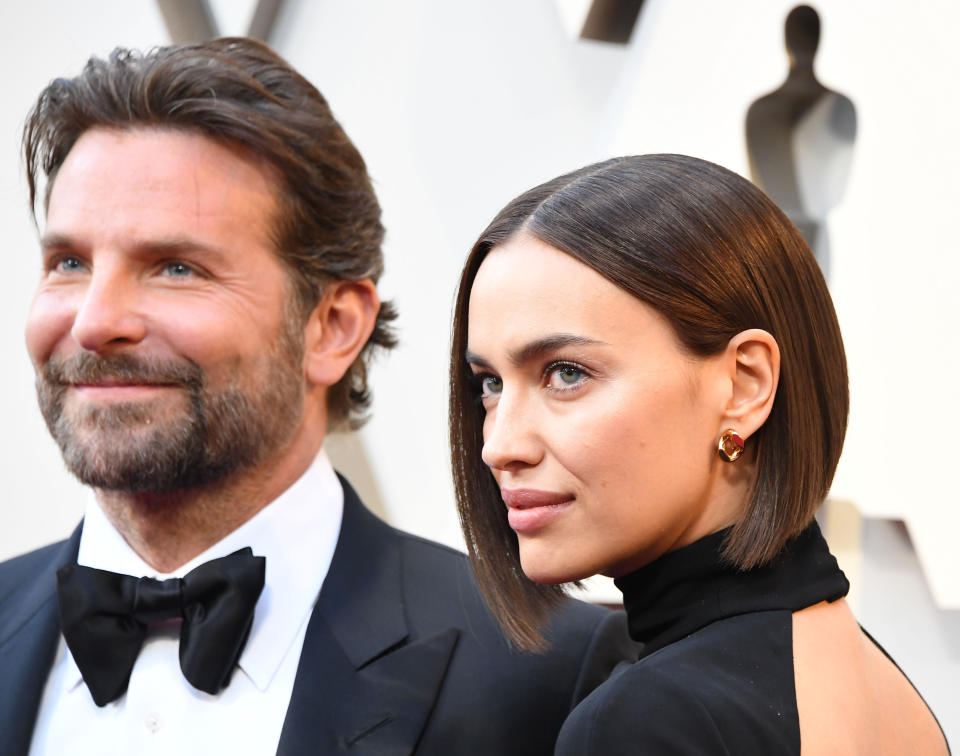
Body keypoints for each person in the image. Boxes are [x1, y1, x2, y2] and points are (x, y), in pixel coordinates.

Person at [0, 38, 636, 756]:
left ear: (332, 327)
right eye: (69, 263)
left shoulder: (551, 674)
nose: (93, 321)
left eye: (175, 267)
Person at [449, 154, 950, 754]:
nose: (500, 446)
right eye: (490, 384)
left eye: (565, 373)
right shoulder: (860, 662)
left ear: (744, 386)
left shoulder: (647, 721)